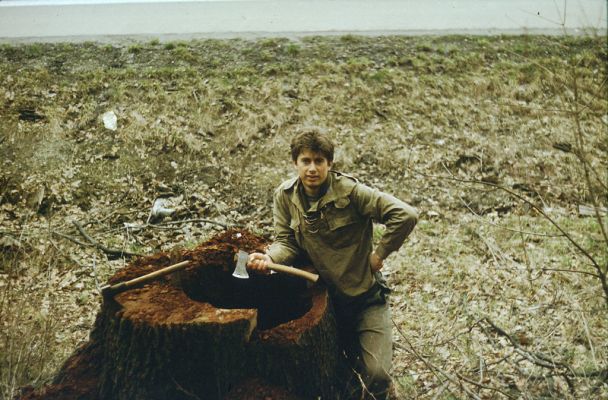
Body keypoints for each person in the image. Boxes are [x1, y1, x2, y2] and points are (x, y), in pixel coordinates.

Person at [247, 128, 418, 399]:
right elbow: (286, 242)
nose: (312, 168)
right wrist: (270, 258)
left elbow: (405, 215)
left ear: (330, 163)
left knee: (377, 374)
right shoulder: (286, 196)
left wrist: (379, 255)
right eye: (305, 161)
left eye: (319, 161)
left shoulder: (351, 192)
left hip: (365, 298)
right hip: (328, 305)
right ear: (295, 163)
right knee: (336, 373)